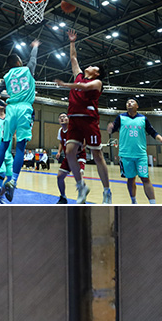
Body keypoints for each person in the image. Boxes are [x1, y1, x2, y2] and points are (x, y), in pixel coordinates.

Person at [54, 30, 113, 205]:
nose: (91, 65)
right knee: (69, 152)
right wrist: (72, 42)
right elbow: (73, 58)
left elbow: (83, 87)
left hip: (89, 120)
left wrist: (66, 85)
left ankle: (107, 191)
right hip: (74, 119)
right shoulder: (79, 75)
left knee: (97, 155)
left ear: (97, 73)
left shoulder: (97, 83)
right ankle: (81, 186)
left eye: (94, 66)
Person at [0, 40, 40, 203]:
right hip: (25, 108)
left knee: (4, 143)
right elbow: (33, 59)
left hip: (10, 109)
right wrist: (35, 47)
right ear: (19, 62)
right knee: (20, 147)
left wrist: (4, 104)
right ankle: (14, 181)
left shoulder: (6, 77)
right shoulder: (27, 69)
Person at [107, 100, 162, 204]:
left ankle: (153, 203)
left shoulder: (143, 119)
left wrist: (161, 139)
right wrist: (109, 128)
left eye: (132, 102)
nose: (129, 103)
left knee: (145, 178)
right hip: (125, 155)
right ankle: (133, 201)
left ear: (137, 106)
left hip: (140, 154)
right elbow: (111, 131)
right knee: (131, 179)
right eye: (128, 102)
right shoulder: (121, 118)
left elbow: (152, 132)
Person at [56, 112, 85, 204]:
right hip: (68, 157)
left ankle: (82, 198)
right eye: (60, 117)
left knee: (80, 173)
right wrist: (59, 152)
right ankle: (63, 197)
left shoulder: (73, 129)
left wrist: (82, 147)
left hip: (79, 155)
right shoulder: (60, 131)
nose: (62, 118)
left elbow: (84, 138)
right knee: (60, 177)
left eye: (64, 116)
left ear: (68, 119)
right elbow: (61, 142)